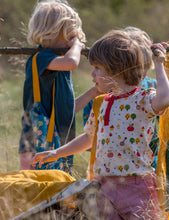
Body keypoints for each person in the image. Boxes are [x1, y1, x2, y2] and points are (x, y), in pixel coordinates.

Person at [32, 29, 169, 219]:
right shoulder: (101, 103)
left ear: (116, 69)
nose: (92, 74)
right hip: (105, 186)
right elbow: (90, 137)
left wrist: (159, 65)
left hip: (137, 185)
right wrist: (58, 152)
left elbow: (165, 99)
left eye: (98, 68)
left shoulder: (143, 99)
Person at [19, 0, 100, 174]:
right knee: (37, 193)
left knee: (56, 194)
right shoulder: (42, 58)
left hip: (57, 143)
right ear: (54, 32)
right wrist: (77, 46)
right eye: (69, 34)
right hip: (36, 142)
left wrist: (92, 92)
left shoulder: (59, 66)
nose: (73, 38)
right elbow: (71, 62)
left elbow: (67, 109)